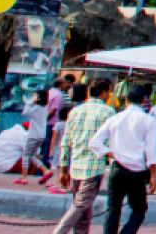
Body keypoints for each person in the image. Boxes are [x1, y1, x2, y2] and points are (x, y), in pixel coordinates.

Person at [90, 83, 156, 234]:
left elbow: (95, 142)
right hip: (136, 171)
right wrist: (154, 176)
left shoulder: (115, 119)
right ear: (143, 101)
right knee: (139, 209)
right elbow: (151, 151)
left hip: (117, 167)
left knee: (113, 209)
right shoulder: (148, 120)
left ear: (126, 100)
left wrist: (110, 153)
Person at [51, 81, 114, 234]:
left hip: (75, 165)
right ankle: (59, 232)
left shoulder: (75, 111)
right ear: (104, 92)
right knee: (80, 205)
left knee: (82, 209)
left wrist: (64, 169)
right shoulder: (108, 112)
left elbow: (66, 142)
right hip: (93, 166)